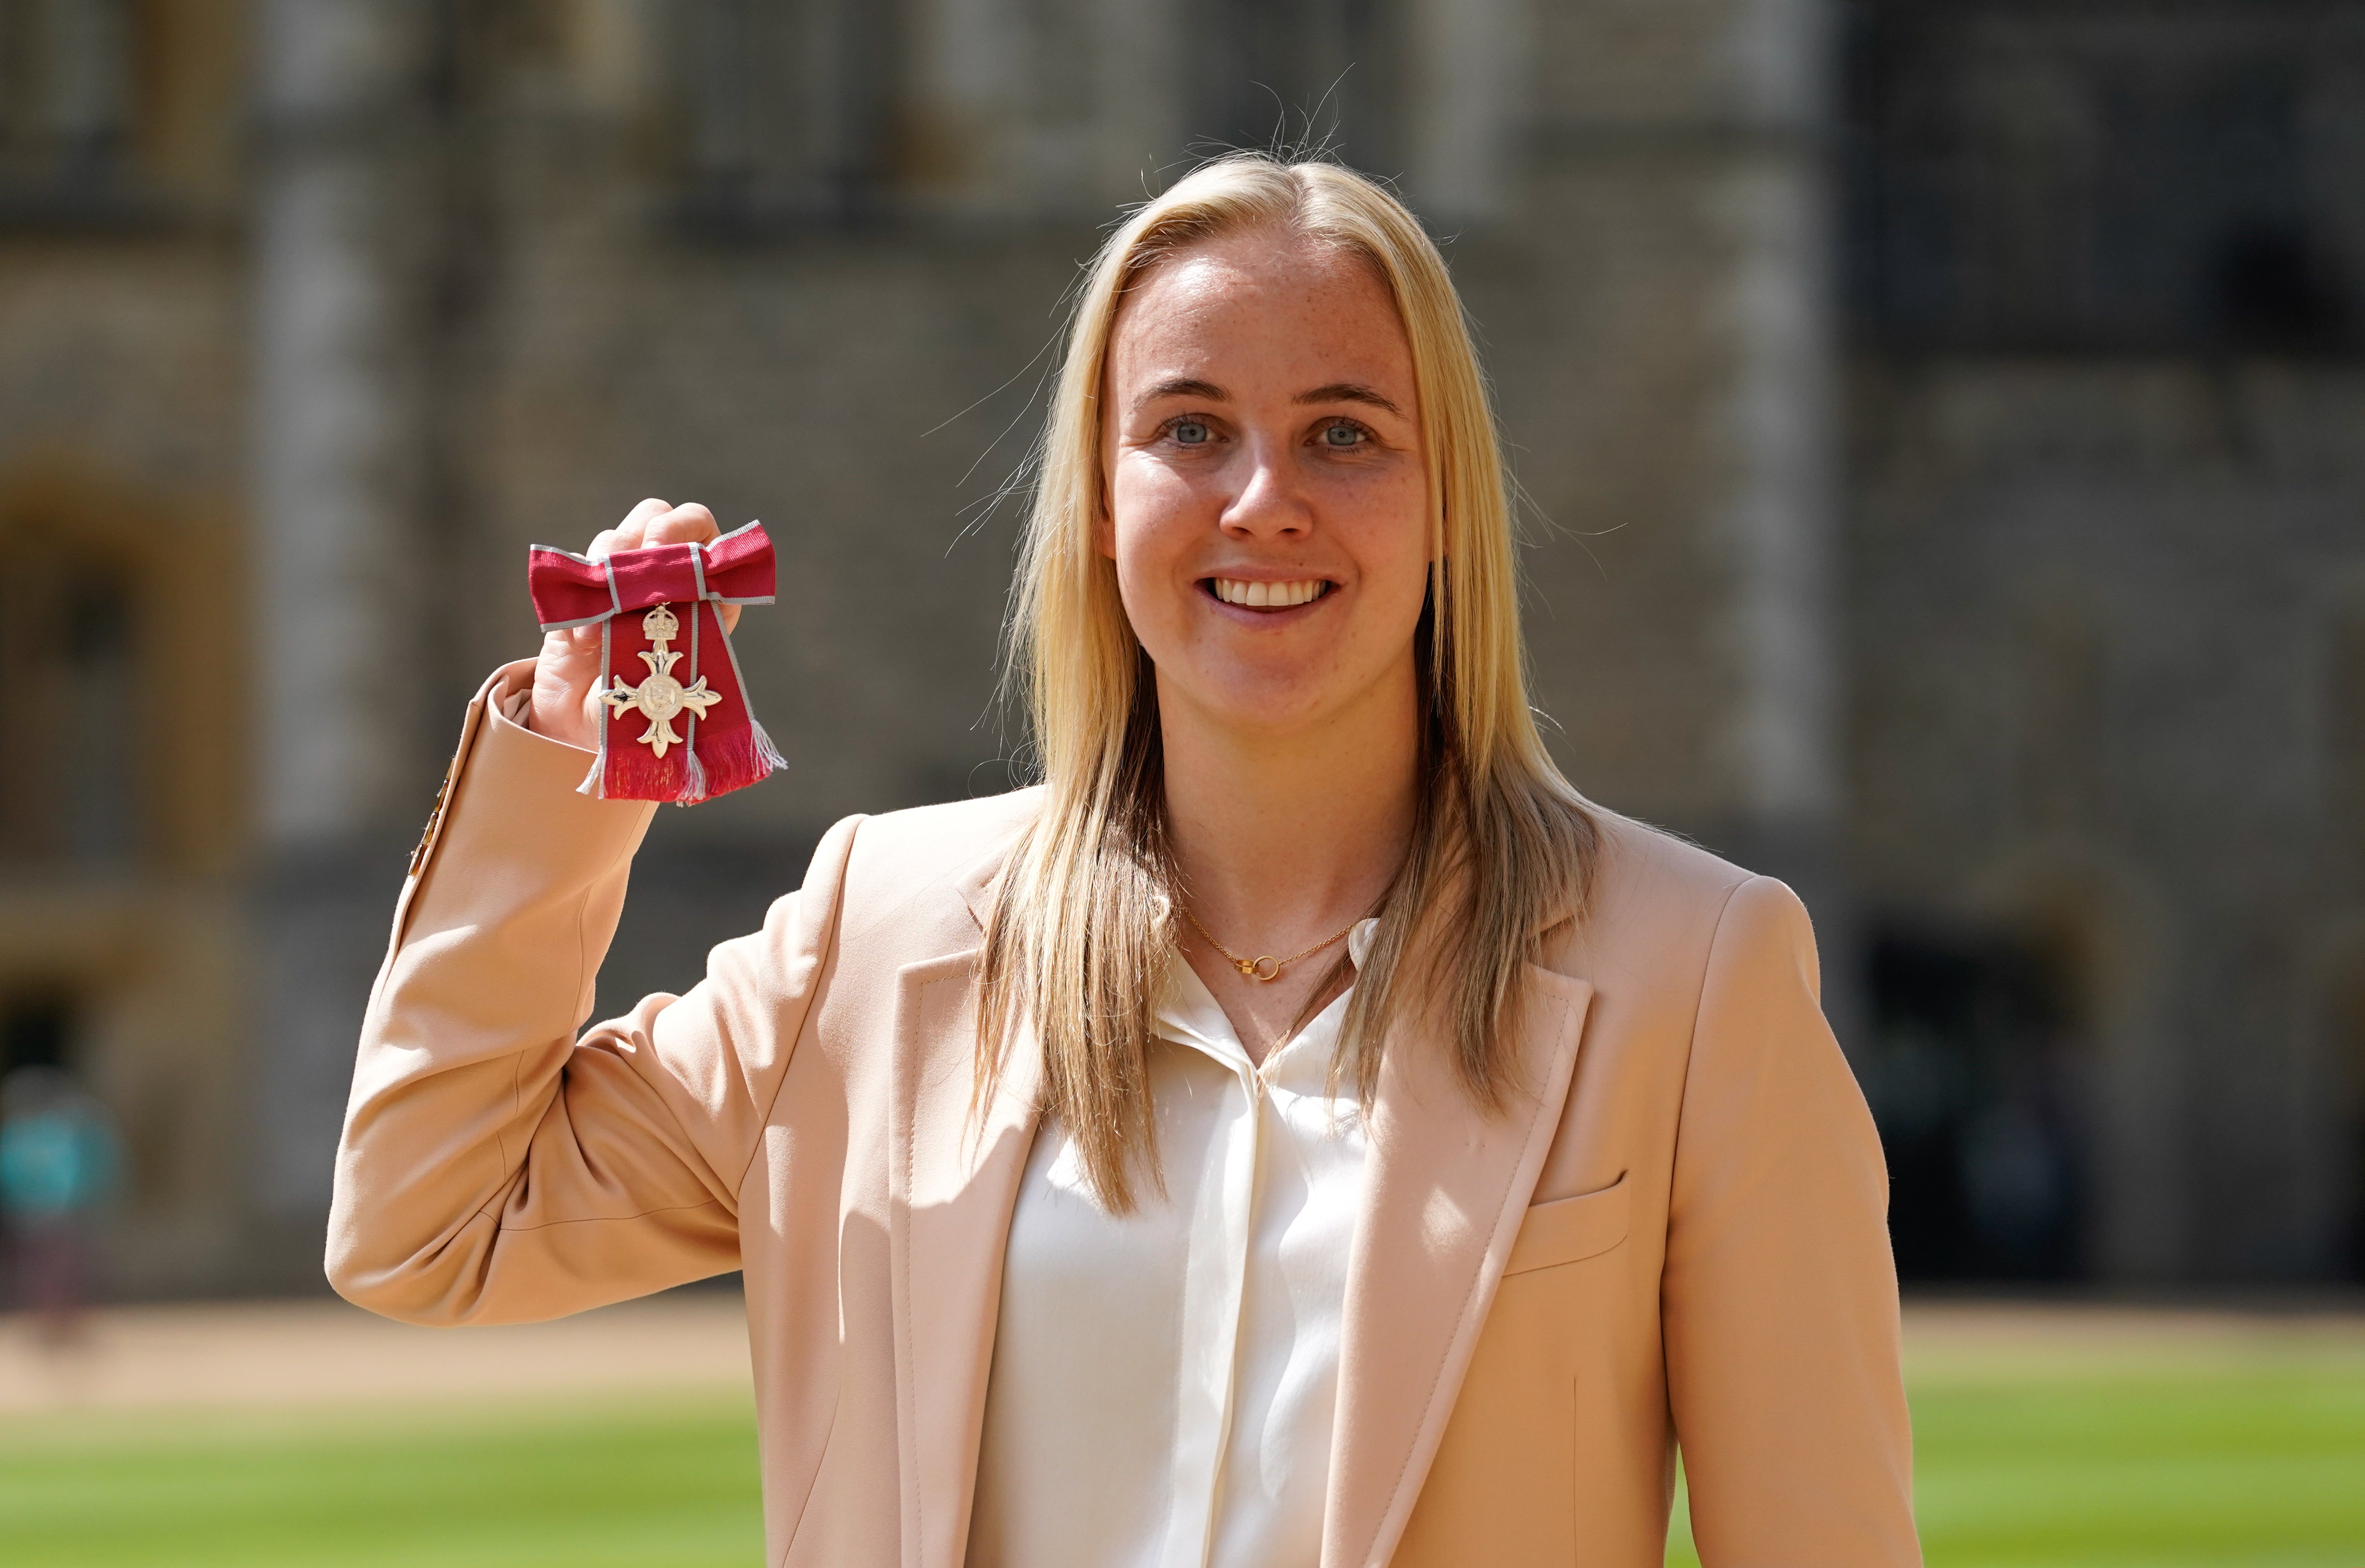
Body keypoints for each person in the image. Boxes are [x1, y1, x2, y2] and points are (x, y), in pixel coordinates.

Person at [329, 155, 1917, 1567]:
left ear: (1447, 510)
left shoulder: (1691, 975)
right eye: (1189, 429)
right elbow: (426, 1221)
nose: (1261, 500)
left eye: (1344, 434)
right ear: (1100, 500)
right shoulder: (873, 939)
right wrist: (567, 755)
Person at [1, 1064, 122, 1348]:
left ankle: (66, 1326)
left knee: (68, 1272)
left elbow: (86, 1172)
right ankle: (49, 1326)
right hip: (36, 1216)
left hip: (63, 1215)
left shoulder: (67, 1134)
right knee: (41, 1273)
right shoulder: (23, 1136)